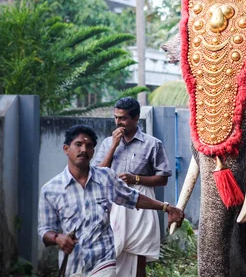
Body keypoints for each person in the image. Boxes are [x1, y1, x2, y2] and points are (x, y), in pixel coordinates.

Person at [38, 125, 184, 277]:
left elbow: (133, 197)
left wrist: (167, 208)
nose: (83, 149)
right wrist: (58, 238)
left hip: (103, 262)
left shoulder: (106, 177)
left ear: (93, 152)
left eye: (89, 146)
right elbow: (44, 231)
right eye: (78, 144)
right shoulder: (51, 190)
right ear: (66, 149)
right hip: (73, 265)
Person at [91, 97, 171, 276]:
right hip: (112, 206)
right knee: (111, 255)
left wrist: (136, 179)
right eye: (116, 118)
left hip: (141, 206)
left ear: (136, 119)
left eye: (123, 118)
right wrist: (113, 146)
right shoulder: (107, 143)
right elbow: (97, 174)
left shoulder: (153, 144)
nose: (118, 122)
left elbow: (163, 179)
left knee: (138, 254)